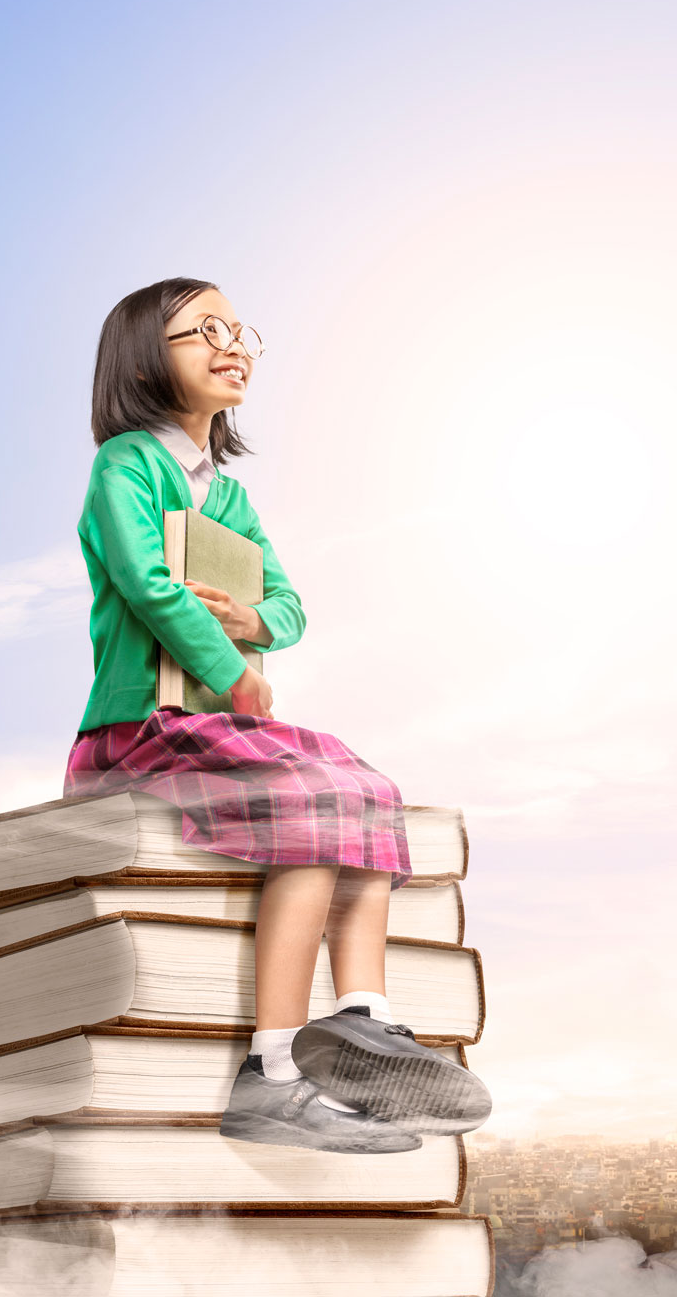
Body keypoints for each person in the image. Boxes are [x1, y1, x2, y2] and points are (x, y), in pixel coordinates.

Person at [64, 276, 490, 1153]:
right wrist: (232, 671)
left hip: (213, 729)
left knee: (365, 788)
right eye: (199, 332)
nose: (231, 342)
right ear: (144, 360)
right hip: (140, 727)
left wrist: (253, 622)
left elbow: (288, 604)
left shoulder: (228, 496)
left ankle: (363, 1015)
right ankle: (272, 1069)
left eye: (235, 327)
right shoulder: (126, 467)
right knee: (308, 803)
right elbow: (147, 584)